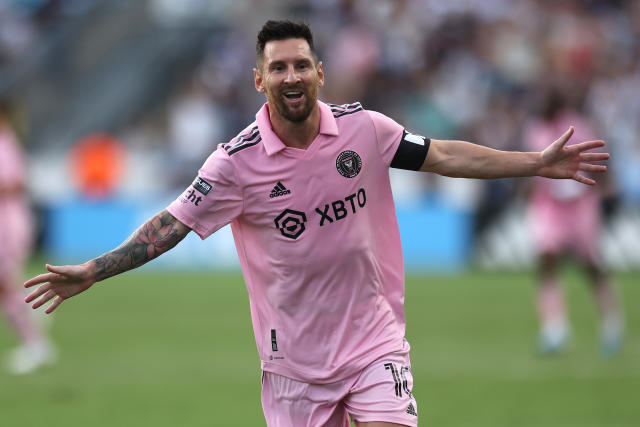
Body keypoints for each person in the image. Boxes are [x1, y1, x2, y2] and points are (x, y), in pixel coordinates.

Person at [24, 21, 609, 427]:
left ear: (320, 72)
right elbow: (172, 224)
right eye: (278, 67)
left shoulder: (365, 130)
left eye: (301, 63)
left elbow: (445, 155)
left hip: (374, 341)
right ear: (260, 80)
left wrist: (534, 162)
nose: (291, 75)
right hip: (293, 364)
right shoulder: (234, 163)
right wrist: (95, 271)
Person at [524, 88, 623, 356]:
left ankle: (611, 324)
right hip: (548, 206)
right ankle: (554, 328)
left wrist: (604, 188)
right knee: (547, 260)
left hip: (579, 204)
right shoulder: (535, 129)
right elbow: (530, 167)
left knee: (591, 264)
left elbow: (598, 157)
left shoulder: (576, 126)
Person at [0, 99, 55, 374]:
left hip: (8, 223)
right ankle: (37, 313)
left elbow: (18, 182)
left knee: (5, 285)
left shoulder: (5, 144)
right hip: (8, 220)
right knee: (7, 285)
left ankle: (36, 345)